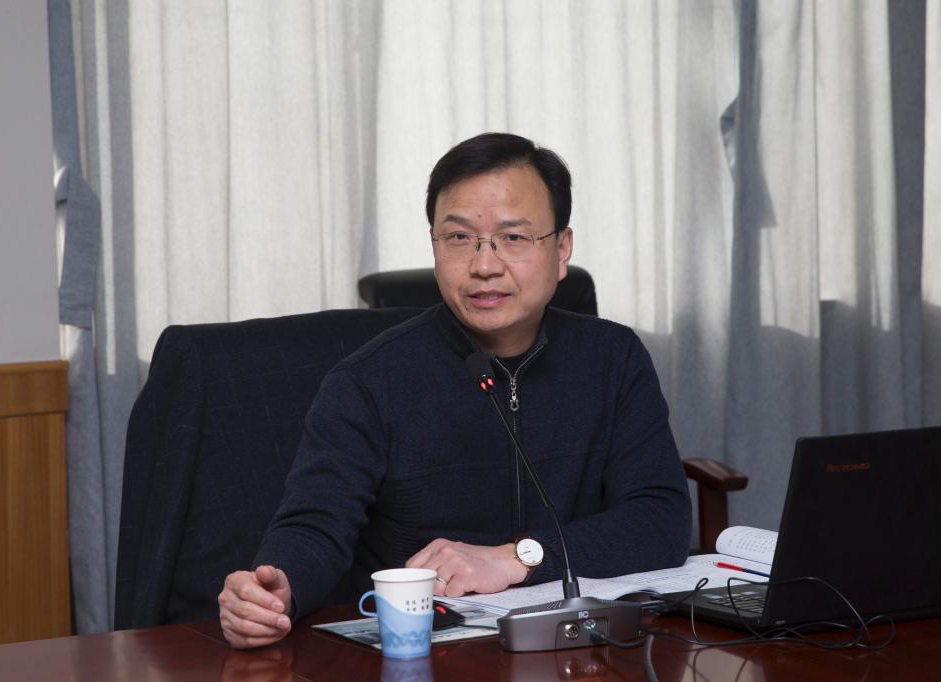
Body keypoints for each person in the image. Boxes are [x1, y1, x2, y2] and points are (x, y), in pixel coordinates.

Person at [218, 132, 691, 649]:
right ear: (435, 246)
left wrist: (518, 558)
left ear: (561, 250)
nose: (484, 265)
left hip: (580, 652)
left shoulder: (613, 358)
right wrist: (276, 589)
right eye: (459, 237)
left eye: (514, 237)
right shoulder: (368, 380)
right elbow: (316, 524)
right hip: (423, 652)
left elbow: (660, 519)